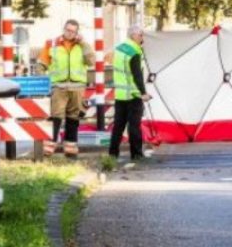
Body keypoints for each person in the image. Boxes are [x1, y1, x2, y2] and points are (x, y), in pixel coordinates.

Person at [37, 19, 94, 158]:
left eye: (73, 31)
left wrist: (83, 43)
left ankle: (70, 147)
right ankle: (49, 147)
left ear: (77, 32)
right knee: (56, 116)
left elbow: (91, 61)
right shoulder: (52, 44)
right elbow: (41, 64)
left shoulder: (82, 45)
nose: (70, 33)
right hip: (58, 86)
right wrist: (43, 81)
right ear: (63, 29)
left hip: (77, 87)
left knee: (73, 118)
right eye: (68, 30)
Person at [108, 26, 152, 161]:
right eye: (140, 35)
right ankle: (136, 154)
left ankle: (113, 154)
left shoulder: (119, 48)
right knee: (134, 126)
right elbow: (137, 75)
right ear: (133, 35)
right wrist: (143, 93)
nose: (142, 38)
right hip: (133, 95)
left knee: (118, 126)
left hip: (120, 94)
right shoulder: (134, 52)